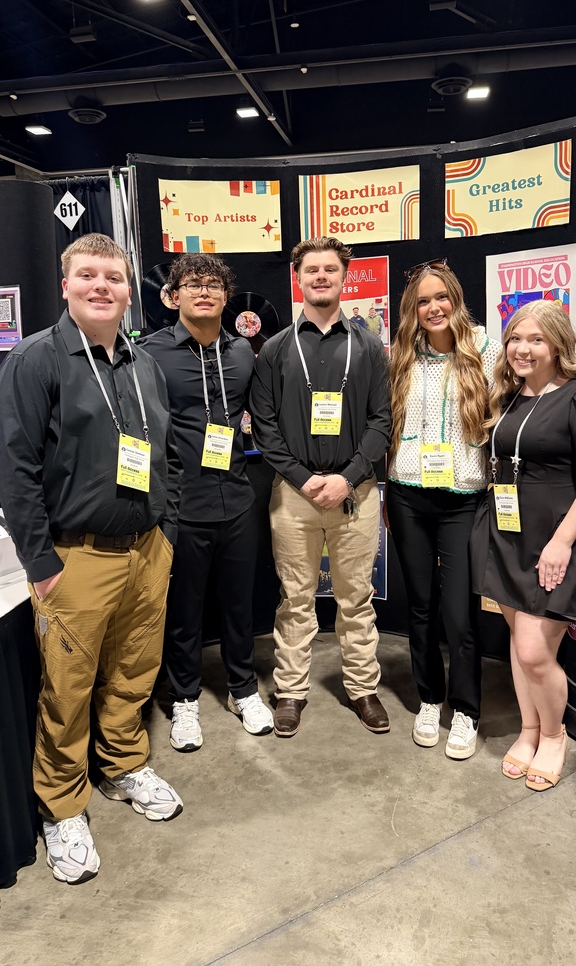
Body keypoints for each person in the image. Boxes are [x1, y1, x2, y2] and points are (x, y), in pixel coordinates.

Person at [0, 234, 183, 885]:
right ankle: (62, 805)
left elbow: (164, 452)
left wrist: (169, 527)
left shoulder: (142, 362)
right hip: (76, 559)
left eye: (113, 276)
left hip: (146, 549)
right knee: (67, 691)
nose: (102, 285)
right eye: (89, 275)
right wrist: (41, 561)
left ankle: (124, 765)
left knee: (135, 671)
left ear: (129, 289)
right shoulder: (36, 360)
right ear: (66, 284)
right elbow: (15, 469)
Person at [250, 237, 391, 737]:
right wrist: (307, 479)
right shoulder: (275, 349)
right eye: (312, 270)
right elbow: (264, 426)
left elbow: (381, 421)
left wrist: (346, 478)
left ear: (344, 277)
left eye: (331, 270)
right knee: (295, 598)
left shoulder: (370, 346)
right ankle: (290, 690)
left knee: (357, 598)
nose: (321, 277)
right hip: (295, 494)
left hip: (356, 491)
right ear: (298, 277)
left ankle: (362, 687)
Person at [139, 253, 273, 751]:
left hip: (237, 498)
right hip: (179, 505)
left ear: (225, 295)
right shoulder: (150, 353)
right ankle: (186, 700)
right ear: (173, 296)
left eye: (213, 284)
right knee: (184, 610)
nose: (204, 291)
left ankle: (243, 689)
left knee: (240, 605)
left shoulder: (242, 351)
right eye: (191, 284)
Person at [386, 258, 500, 759]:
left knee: (459, 612)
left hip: (463, 500)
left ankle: (467, 709)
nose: (433, 308)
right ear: (413, 309)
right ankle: (430, 697)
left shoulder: (488, 351)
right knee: (420, 607)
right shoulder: (399, 358)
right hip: (408, 493)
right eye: (423, 301)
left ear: (455, 298)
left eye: (441, 297)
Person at [471, 299, 575, 790]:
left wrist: (561, 543)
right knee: (518, 641)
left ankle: (555, 736)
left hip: (556, 539)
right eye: (515, 337)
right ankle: (529, 729)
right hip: (506, 533)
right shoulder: (508, 398)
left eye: (536, 339)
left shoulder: (572, 396)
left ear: (558, 345)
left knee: (535, 651)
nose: (523, 348)